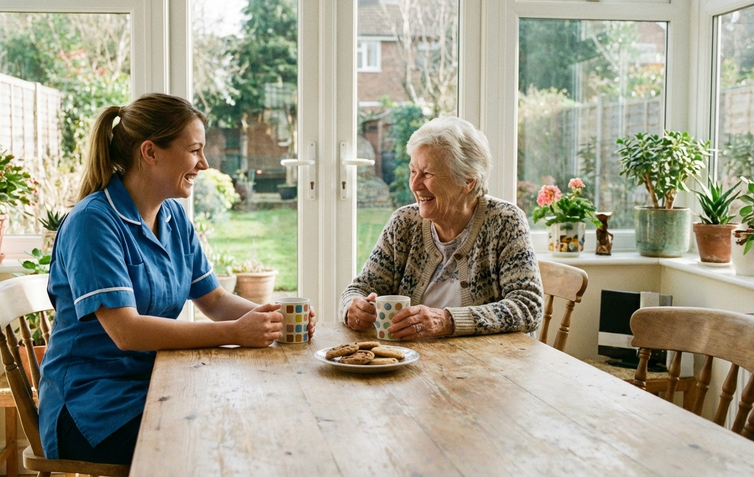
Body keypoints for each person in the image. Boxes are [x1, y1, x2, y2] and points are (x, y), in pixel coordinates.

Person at [38, 93, 315, 465]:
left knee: (252, 415)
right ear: (150, 152)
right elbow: (127, 332)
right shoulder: (93, 222)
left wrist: (275, 319)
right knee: (219, 442)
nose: (204, 163)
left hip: (156, 383)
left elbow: (214, 300)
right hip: (93, 407)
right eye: (194, 150)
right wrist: (234, 333)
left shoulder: (172, 215)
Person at [340, 116, 542, 339]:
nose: (415, 184)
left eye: (427, 174)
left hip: (490, 358)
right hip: (419, 356)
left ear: (468, 181)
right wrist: (353, 306)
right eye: (413, 171)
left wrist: (446, 321)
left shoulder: (505, 222)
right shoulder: (404, 223)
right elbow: (360, 288)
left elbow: (528, 307)